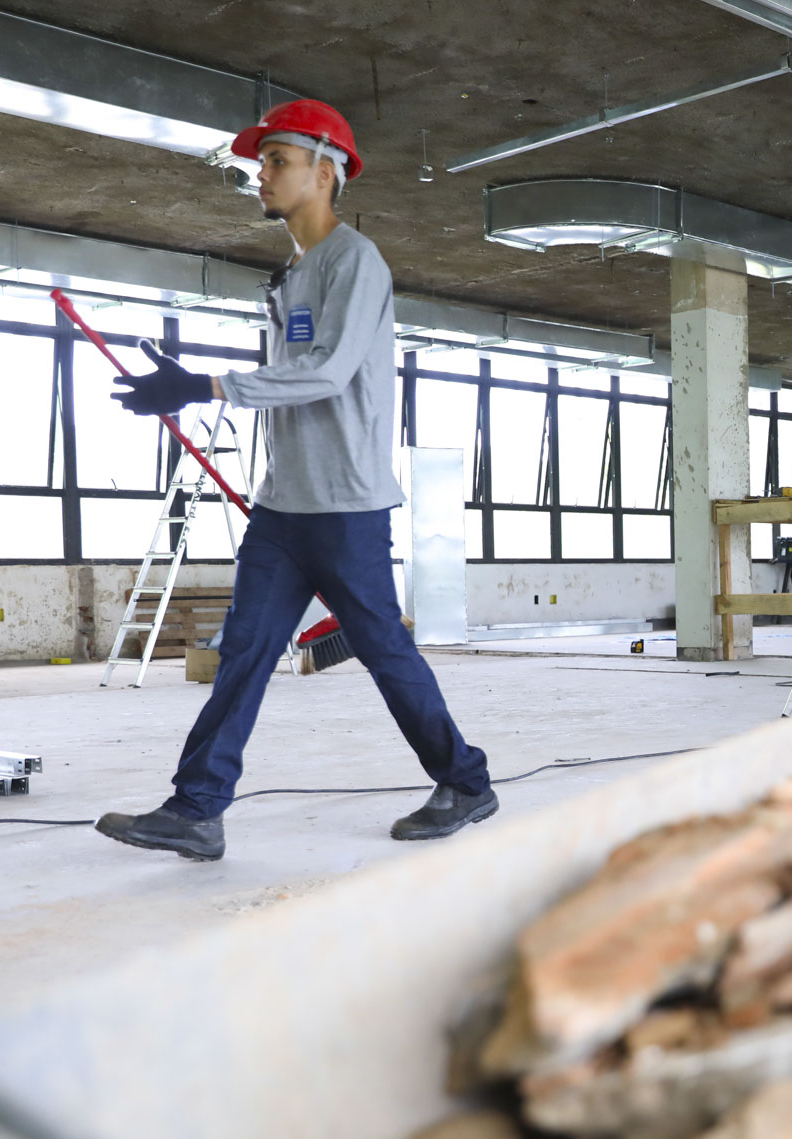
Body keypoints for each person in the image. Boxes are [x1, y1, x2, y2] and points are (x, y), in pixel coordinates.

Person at [93, 99, 496, 862]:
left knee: (382, 650)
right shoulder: (290, 276)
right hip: (284, 508)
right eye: (259, 163)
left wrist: (205, 387)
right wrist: (197, 387)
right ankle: (197, 808)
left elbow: (327, 373)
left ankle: (466, 782)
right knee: (244, 649)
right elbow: (286, 378)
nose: (261, 175)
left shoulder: (356, 263)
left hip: (346, 508)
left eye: (276, 159)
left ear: (327, 168)